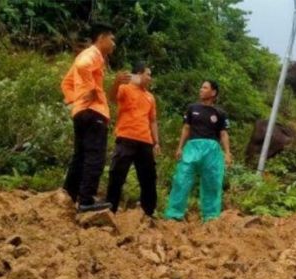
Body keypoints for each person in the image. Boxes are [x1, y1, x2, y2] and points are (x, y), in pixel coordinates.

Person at [61, 23, 129, 213]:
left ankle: (68, 195)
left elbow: (65, 83)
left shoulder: (87, 56)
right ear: (101, 38)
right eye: (112, 38)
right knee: (95, 157)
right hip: (94, 113)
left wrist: (75, 99)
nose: (114, 43)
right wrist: (90, 89)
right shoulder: (92, 55)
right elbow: (83, 67)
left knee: (80, 156)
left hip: (81, 111)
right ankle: (86, 200)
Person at [164, 80, 232, 222]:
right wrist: (180, 147)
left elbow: (223, 134)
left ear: (213, 92)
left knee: (212, 182)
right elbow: (186, 128)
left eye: (205, 87)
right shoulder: (192, 108)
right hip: (192, 147)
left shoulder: (220, 113)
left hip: (212, 150)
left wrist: (227, 153)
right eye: (201, 87)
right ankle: (174, 214)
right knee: (181, 179)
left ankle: (210, 217)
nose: (201, 89)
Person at [105, 62, 160, 216]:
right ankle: (110, 209)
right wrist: (117, 81)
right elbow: (112, 99)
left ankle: (148, 212)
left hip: (145, 141)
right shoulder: (125, 88)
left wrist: (156, 142)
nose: (150, 78)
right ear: (139, 74)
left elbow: (153, 120)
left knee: (148, 178)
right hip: (126, 137)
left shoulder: (150, 97)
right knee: (117, 174)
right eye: (148, 74)